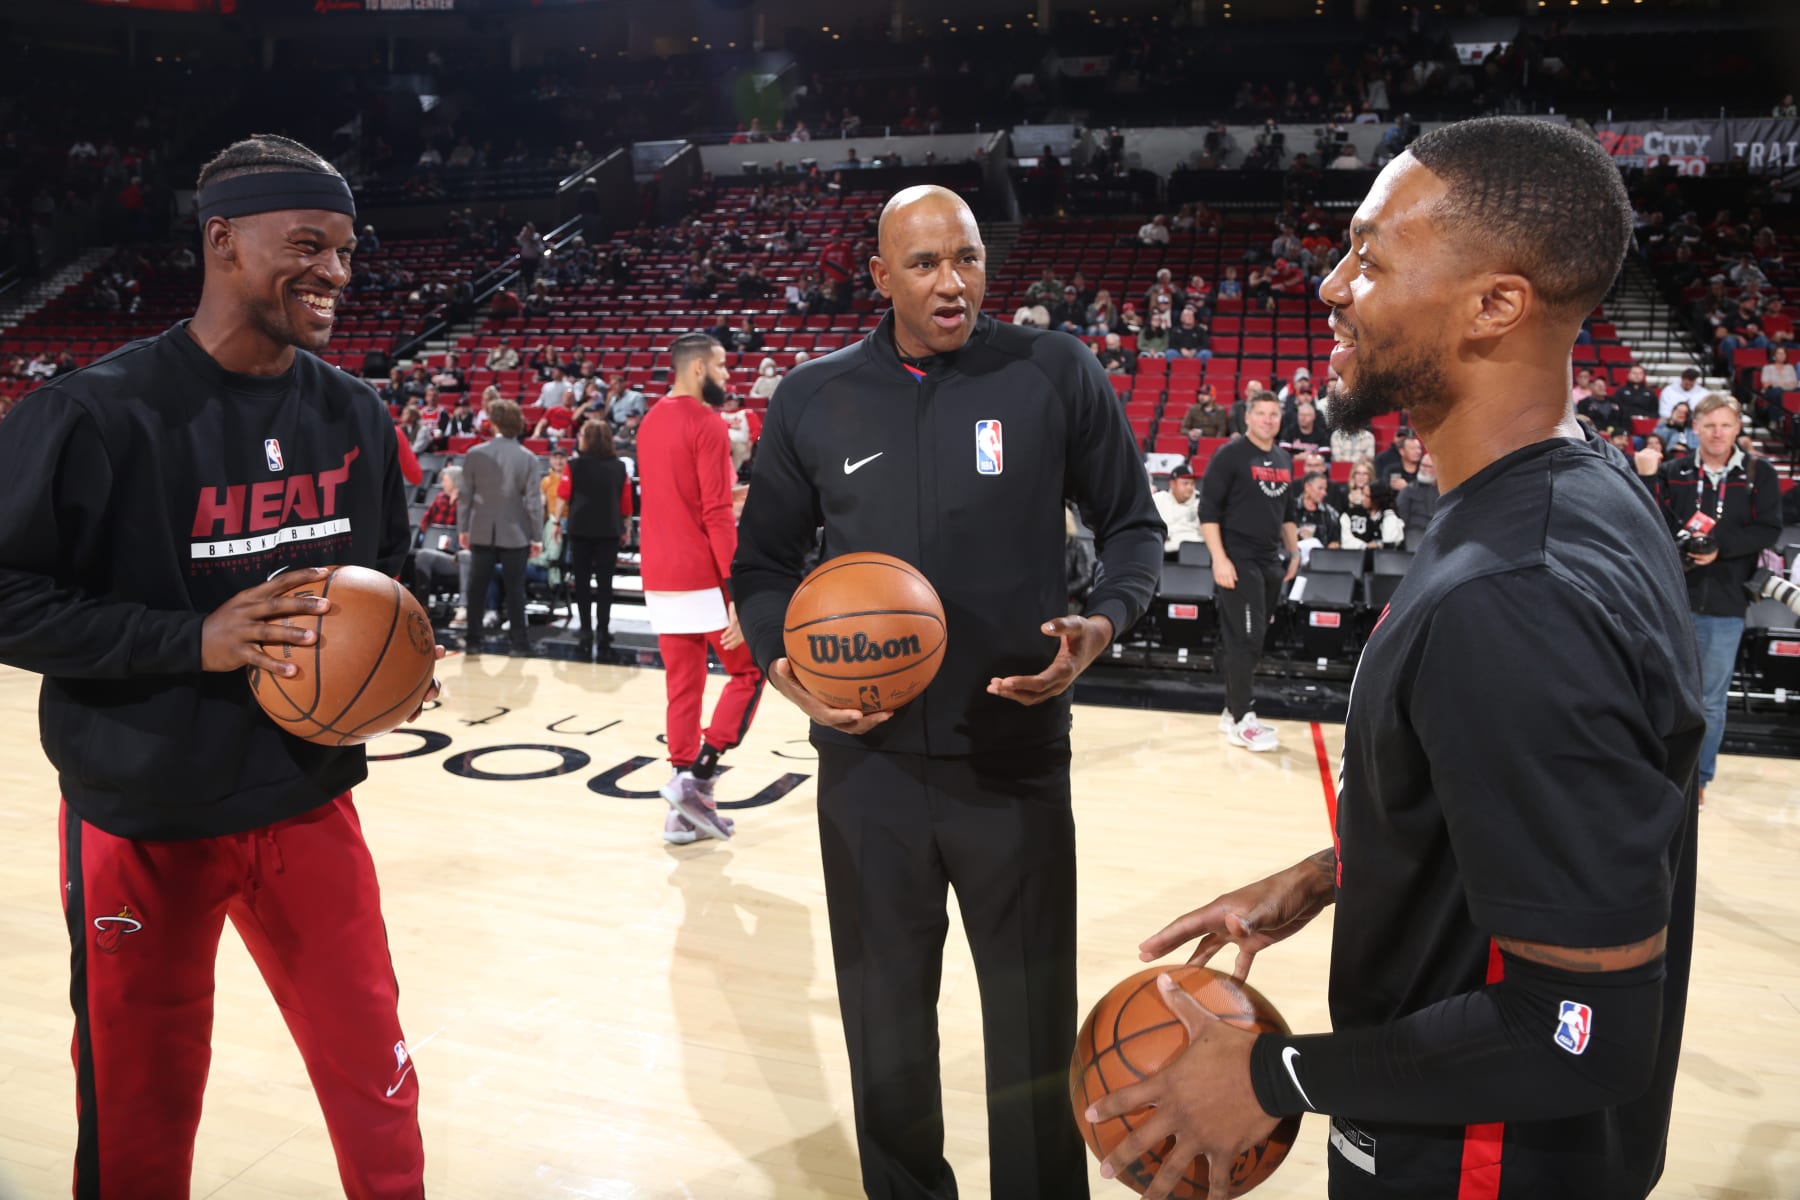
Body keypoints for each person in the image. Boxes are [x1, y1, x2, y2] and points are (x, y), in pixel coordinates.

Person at [1086, 116, 1704, 1200]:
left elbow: (1581, 1030)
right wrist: (1352, 870)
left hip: (1484, 1163)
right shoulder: (1589, 487)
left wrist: (1275, 1076)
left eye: (1368, 258)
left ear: (1495, 304)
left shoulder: (1513, 597)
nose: (1329, 286)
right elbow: (1573, 821)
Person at [0, 133, 432, 1198]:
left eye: (345, 250)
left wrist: (402, 658)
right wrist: (192, 639)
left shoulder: (354, 413)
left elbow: (390, 577)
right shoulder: (94, 413)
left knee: (379, 1090)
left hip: (305, 800)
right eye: (309, 244)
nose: (335, 271)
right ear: (224, 242)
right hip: (142, 814)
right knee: (141, 1113)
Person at [732, 185, 1162, 1200]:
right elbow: (761, 568)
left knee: (1029, 1028)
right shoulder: (813, 396)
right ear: (879, 277)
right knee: (885, 1027)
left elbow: (1134, 527)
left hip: (1013, 755)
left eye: (966, 258)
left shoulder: (1053, 372)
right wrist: (784, 671)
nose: (951, 281)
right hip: (868, 764)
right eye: (923, 263)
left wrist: (1103, 624)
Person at [637, 333, 764, 846]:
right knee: (749, 672)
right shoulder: (708, 424)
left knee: (682, 686)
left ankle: (680, 812)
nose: (728, 376)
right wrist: (738, 593)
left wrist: (734, 493)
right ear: (696, 370)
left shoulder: (649, 422)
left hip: (659, 575)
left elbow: (678, 499)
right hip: (702, 577)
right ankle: (701, 776)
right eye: (720, 366)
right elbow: (712, 513)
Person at [1636, 393, 1782, 808]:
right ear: (1694, 428)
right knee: (1660, 692)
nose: (1717, 433)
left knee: (1710, 701)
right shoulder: (1674, 471)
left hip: (1725, 602)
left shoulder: (1759, 473)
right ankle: (1658, 771)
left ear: (1738, 428)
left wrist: (1719, 546)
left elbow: (1768, 529)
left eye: (1725, 425)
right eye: (1709, 425)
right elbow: (1653, 522)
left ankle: (1697, 780)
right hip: (1671, 599)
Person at [1200, 391, 1297, 753]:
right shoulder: (1230, 455)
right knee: (1245, 638)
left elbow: (1287, 512)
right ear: (1248, 417)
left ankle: (1231, 711)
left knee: (1253, 640)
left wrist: (1294, 550)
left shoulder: (1283, 458)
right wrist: (1219, 559)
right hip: (1238, 562)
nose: (1269, 419)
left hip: (1271, 561)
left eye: (1274, 414)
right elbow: (1207, 512)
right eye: (1262, 413)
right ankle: (1243, 719)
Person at [459, 397, 543, 655]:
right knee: (515, 588)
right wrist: (537, 537)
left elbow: (465, 497)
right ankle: (519, 642)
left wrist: (463, 529)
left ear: (493, 423)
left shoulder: (474, 454)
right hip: (516, 531)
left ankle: (473, 640)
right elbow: (533, 503)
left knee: (476, 586)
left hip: (481, 529)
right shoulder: (528, 458)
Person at [560, 420, 634, 659]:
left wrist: (553, 521)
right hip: (609, 530)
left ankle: (585, 630)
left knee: (581, 582)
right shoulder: (619, 467)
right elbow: (625, 503)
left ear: (587, 439)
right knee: (605, 584)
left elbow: (563, 495)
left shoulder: (574, 465)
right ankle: (602, 629)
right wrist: (626, 528)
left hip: (580, 529)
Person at [1154, 464, 1202, 554]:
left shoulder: (1201, 503)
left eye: (1192, 484)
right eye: (1185, 483)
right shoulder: (1159, 499)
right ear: (1172, 484)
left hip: (1192, 553)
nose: (1190, 487)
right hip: (1163, 553)